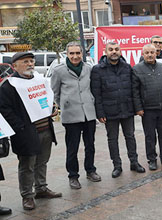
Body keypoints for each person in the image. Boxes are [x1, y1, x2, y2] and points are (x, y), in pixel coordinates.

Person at [0, 52, 62, 210]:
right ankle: (27, 196)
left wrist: (52, 108)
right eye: (25, 62)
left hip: (45, 129)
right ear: (15, 66)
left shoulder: (39, 80)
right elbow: (5, 110)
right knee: (27, 165)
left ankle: (41, 188)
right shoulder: (9, 85)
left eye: (31, 61)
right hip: (26, 133)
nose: (30, 64)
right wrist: (20, 127)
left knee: (42, 162)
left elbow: (47, 99)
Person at [91, 42, 146, 178]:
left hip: (127, 109)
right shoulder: (98, 70)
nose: (114, 52)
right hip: (109, 111)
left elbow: (134, 89)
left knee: (130, 137)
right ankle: (117, 165)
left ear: (120, 51)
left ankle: (134, 162)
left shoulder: (127, 67)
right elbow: (96, 94)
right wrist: (100, 113)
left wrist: (136, 108)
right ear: (105, 52)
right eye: (111, 50)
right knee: (112, 139)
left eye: (116, 49)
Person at [51, 42, 99, 189]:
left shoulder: (88, 68)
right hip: (71, 115)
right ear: (67, 54)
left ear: (82, 53)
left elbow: (92, 88)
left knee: (90, 145)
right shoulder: (59, 71)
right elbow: (55, 93)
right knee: (72, 147)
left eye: (78, 53)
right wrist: (65, 104)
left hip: (88, 113)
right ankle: (73, 175)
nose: (75, 56)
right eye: (72, 53)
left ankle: (90, 170)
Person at [133, 44, 162, 171]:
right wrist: (138, 108)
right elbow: (134, 91)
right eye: (147, 53)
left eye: (152, 52)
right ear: (143, 54)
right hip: (147, 110)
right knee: (150, 136)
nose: (150, 55)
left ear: (156, 53)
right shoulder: (137, 69)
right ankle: (152, 159)